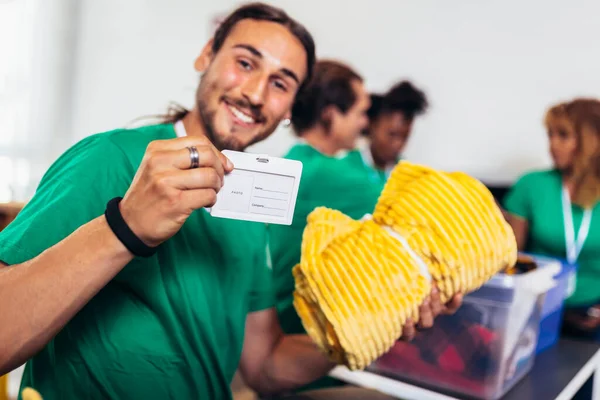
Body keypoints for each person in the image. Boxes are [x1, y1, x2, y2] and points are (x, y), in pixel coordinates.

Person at [0, 4, 334, 399]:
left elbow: (264, 364)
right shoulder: (108, 159)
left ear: (290, 109)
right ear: (206, 56)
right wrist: (124, 226)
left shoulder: (250, 204)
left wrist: (359, 333)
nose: (255, 93)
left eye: (280, 84)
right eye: (245, 63)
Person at [268, 60, 462, 392]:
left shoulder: (294, 162)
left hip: (283, 313)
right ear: (330, 114)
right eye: (360, 112)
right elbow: (429, 217)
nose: (363, 123)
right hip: (309, 325)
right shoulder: (333, 175)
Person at [503, 98, 600, 339]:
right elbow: (510, 257)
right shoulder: (531, 185)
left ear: (590, 141)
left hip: (592, 313)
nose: (552, 145)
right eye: (550, 135)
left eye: (563, 135)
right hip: (536, 308)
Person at [359, 81, 429, 183]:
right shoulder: (345, 166)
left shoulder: (409, 176)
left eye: (405, 137)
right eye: (392, 135)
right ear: (372, 126)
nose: (398, 144)